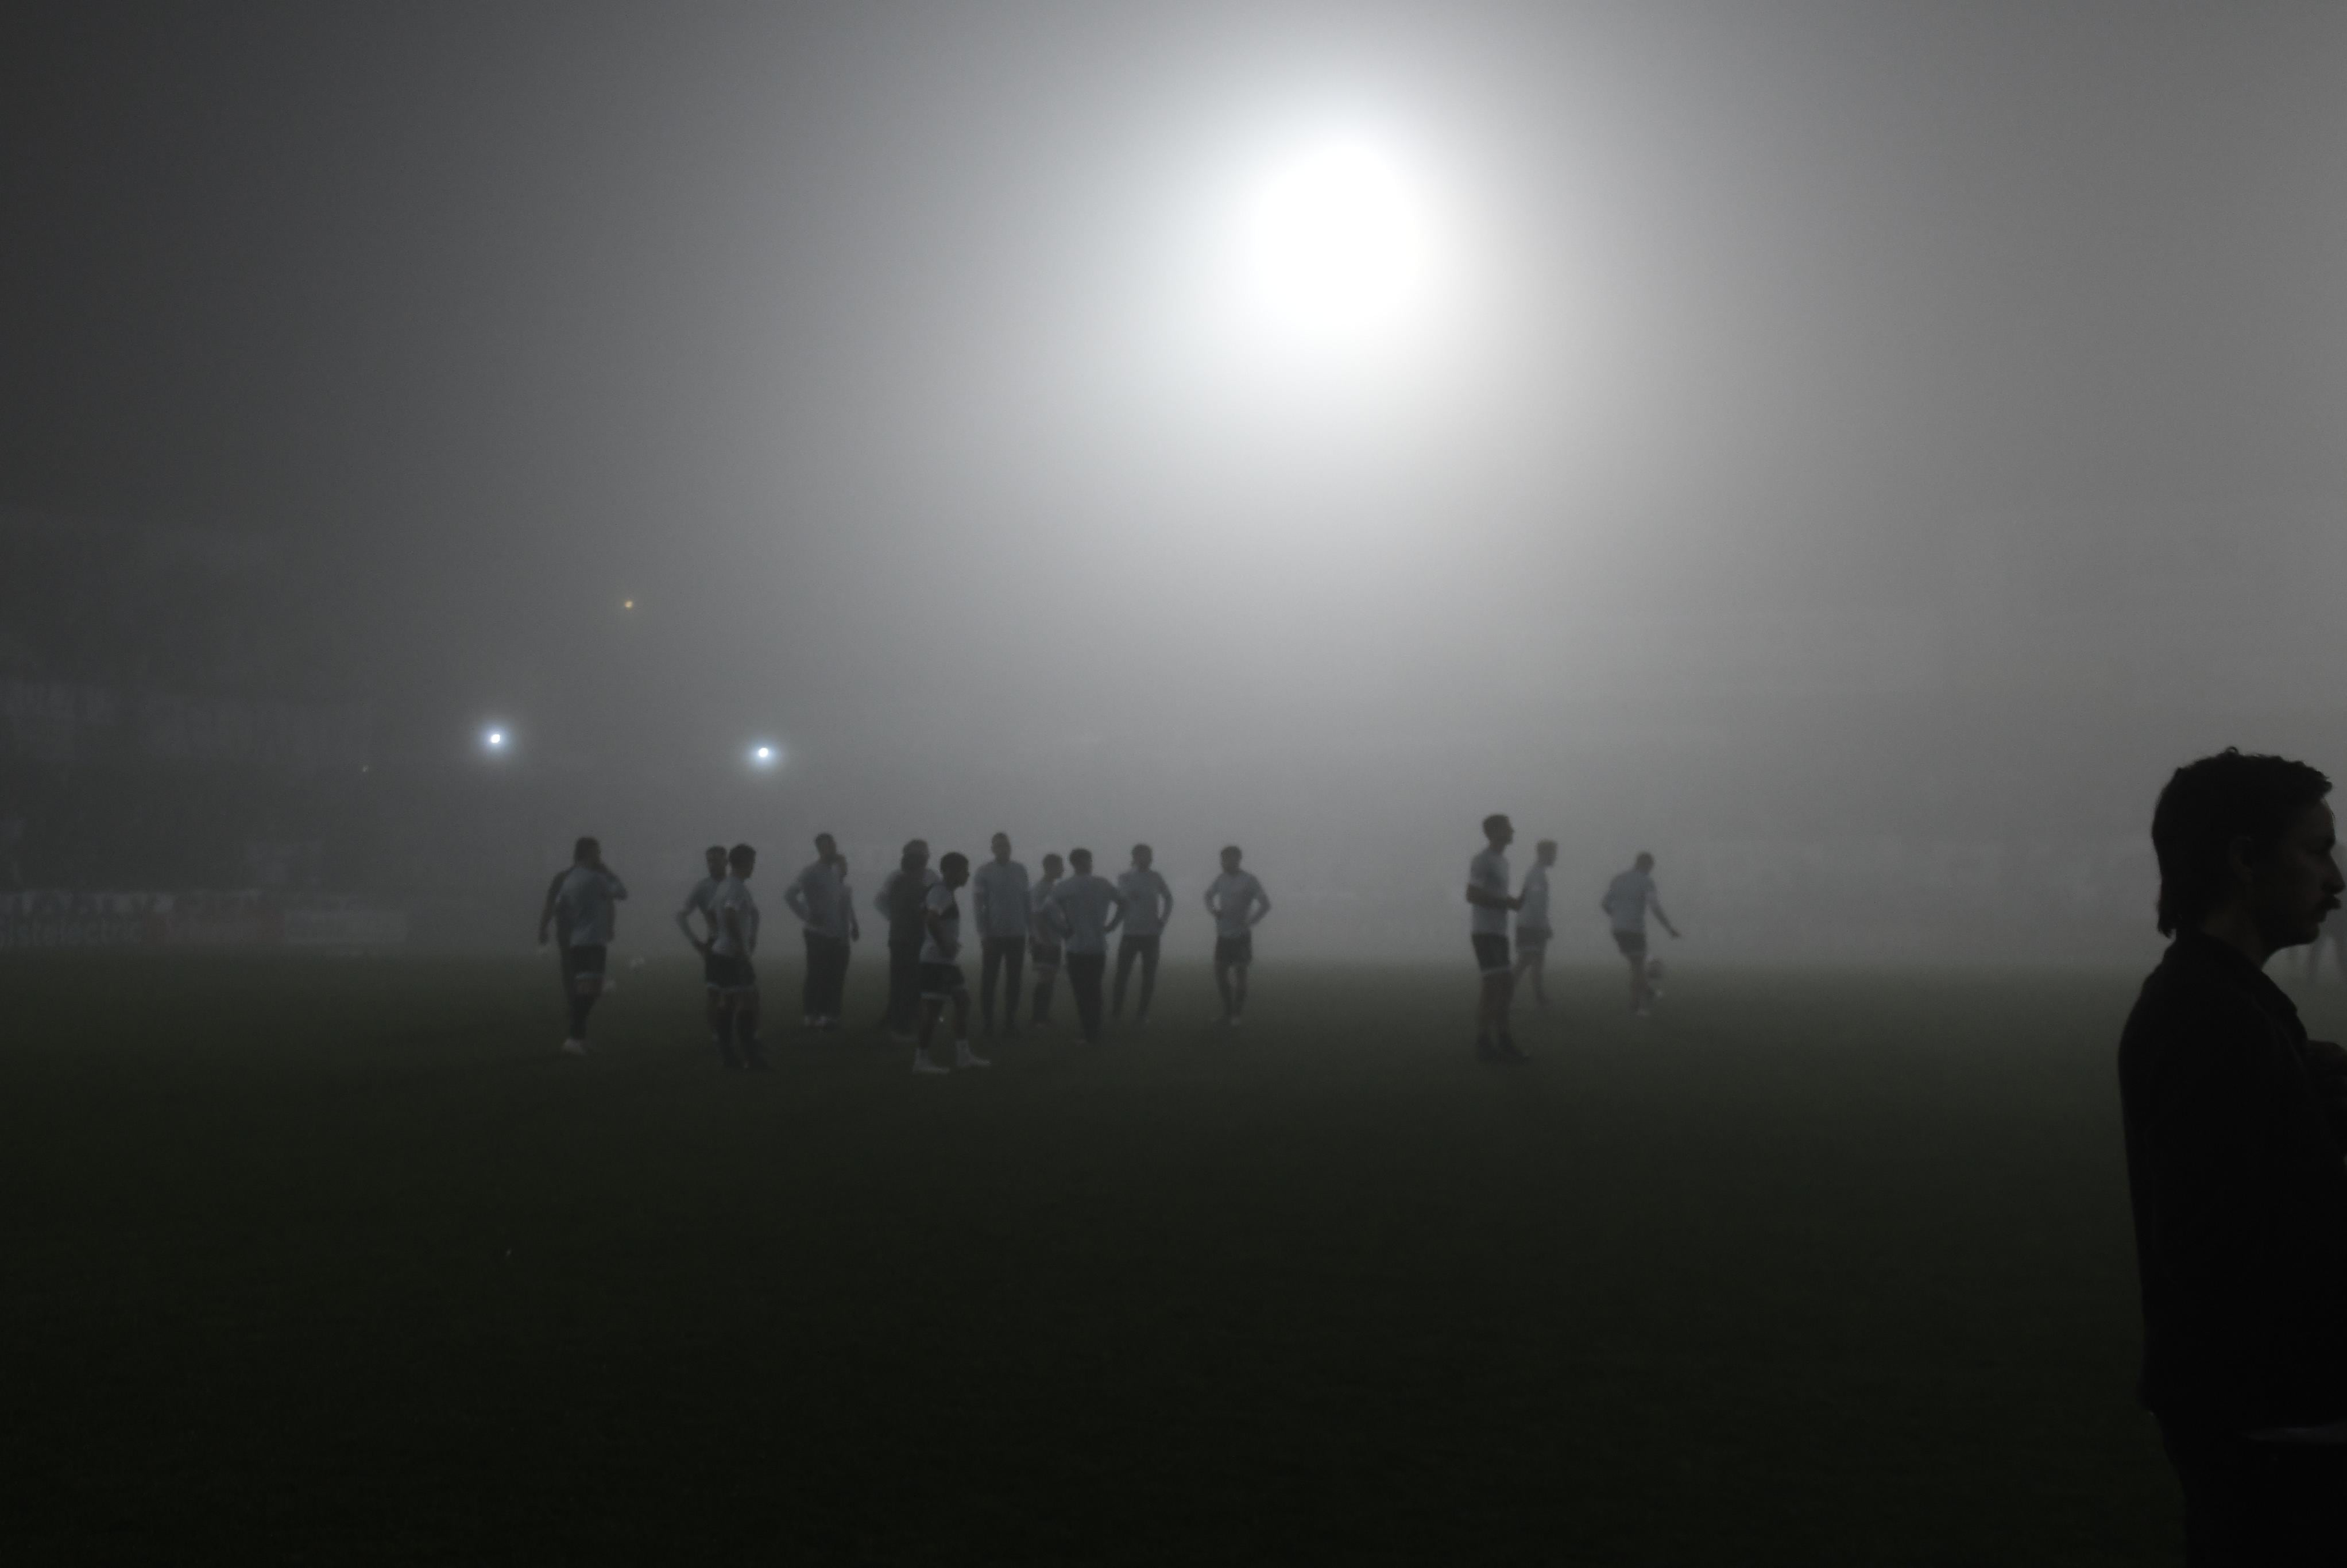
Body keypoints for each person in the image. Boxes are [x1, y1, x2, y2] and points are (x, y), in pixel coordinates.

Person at [2119, 749, 2347, 1562]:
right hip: (2274, 1427)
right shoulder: (2213, 1022)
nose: (2335, 877)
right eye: (2314, 849)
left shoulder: (2228, 1004)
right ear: (2243, 859)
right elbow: (2220, 1251)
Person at [538, 836, 628, 1056]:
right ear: (588, 853)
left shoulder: (569, 880)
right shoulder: (595, 878)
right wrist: (607, 872)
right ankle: (573, 1037)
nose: (600, 857)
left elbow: (559, 904)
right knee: (591, 990)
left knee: (585, 987)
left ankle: (580, 1037)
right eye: (598, 853)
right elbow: (622, 892)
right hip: (592, 941)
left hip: (577, 939)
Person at [913, 851, 988, 1074]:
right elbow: (930, 919)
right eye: (964, 870)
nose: (967, 874)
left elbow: (922, 914)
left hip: (946, 962)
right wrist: (945, 944)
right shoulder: (941, 893)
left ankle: (964, 1056)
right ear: (951, 871)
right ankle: (921, 1060)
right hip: (937, 962)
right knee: (934, 1011)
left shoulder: (942, 893)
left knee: (963, 1002)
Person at [1047, 848, 1123, 1044]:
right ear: (1084, 862)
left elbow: (1048, 908)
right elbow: (1124, 903)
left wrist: (1063, 929)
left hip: (1077, 947)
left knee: (1082, 991)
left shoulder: (1065, 886)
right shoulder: (1102, 884)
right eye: (1089, 860)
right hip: (1097, 946)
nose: (1091, 863)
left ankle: (1089, 1031)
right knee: (1094, 989)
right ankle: (1094, 1029)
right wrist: (1113, 924)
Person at [1466, 814, 1524, 1063]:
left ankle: (1501, 1039)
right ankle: (1486, 1041)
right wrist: (1507, 902)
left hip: (1498, 932)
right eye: (1508, 827)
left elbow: (1495, 895)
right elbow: (1472, 894)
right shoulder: (1482, 861)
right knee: (1494, 987)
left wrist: (1513, 903)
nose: (1513, 830)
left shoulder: (1503, 862)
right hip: (1485, 932)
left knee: (1505, 986)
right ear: (1496, 832)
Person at [783, 833, 855, 1029]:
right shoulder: (811, 872)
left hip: (833, 933)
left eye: (834, 845)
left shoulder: (834, 874)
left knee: (830, 976)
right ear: (821, 849)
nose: (833, 849)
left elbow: (841, 903)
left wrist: (848, 927)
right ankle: (810, 1014)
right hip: (816, 933)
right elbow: (790, 895)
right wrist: (807, 915)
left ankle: (826, 1014)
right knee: (815, 974)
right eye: (829, 846)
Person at [707, 843, 768, 1069]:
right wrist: (740, 947)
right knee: (749, 1001)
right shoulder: (736, 889)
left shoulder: (724, 885)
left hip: (720, 952)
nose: (754, 867)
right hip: (732, 955)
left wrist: (719, 935)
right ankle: (751, 1057)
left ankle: (727, 1055)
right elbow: (731, 914)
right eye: (752, 862)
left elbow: (713, 912)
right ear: (743, 863)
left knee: (730, 1002)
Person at [1601, 851, 1680, 1016]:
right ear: (1647, 865)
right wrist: (1669, 928)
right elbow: (1654, 906)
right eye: (1651, 868)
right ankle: (1637, 1006)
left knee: (1635, 966)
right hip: (1634, 929)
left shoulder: (1619, 879)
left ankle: (1649, 994)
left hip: (1618, 929)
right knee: (1638, 968)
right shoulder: (1646, 881)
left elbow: (1605, 903)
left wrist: (1617, 916)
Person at [971, 833, 1032, 1040]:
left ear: (1010, 847)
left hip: (1017, 934)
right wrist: (983, 933)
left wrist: (1031, 931)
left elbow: (1027, 902)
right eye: (999, 846)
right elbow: (979, 906)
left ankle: (1010, 1021)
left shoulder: (1021, 870)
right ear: (993, 849)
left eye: (1006, 846)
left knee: (1014, 981)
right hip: (994, 936)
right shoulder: (984, 872)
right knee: (989, 980)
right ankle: (988, 1022)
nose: (1003, 850)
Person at [875, 841, 937, 1041]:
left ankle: (904, 1020)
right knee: (908, 982)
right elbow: (923, 911)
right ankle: (901, 1024)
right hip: (911, 938)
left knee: (903, 980)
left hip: (900, 936)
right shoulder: (913, 884)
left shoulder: (902, 881)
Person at [1204, 845, 1270, 1029]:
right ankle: (1227, 1012)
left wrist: (1251, 921)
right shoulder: (1221, 879)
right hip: (1223, 935)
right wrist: (1213, 911)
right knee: (1220, 972)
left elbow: (1265, 904)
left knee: (1241, 973)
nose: (1225, 863)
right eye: (1223, 859)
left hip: (1241, 935)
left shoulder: (1249, 880)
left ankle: (1236, 1015)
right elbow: (1208, 896)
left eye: (1229, 859)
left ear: (1238, 860)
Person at [1112, 843, 1174, 1027]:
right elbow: (1122, 900)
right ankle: (1116, 1012)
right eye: (1144, 855)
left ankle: (1142, 1013)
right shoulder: (1125, 877)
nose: (1148, 859)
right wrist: (1114, 924)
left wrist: (1163, 919)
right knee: (1122, 975)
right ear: (1135, 857)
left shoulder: (1156, 877)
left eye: (1150, 855)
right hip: (1130, 933)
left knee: (1149, 976)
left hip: (1151, 935)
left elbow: (1169, 898)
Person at [675, 845, 729, 1052]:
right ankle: (717, 1035)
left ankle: (740, 1031)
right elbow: (681, 915)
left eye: (716, 860)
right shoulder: (702, 888)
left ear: (726, 861)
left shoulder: (734, 884)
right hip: (715, 943)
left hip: (734, 944)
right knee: (714, 992)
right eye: (709, 861)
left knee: (739, 992)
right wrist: (696, 942)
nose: (712, 864)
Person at [1512, 839, 1558, 1007]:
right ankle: (1504, 997)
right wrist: (1544, 926)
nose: (1555, 858)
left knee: (1536, 961)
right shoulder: (1537, 875)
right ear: (1544, 854)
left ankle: (1540, 998)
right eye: (1553, 854)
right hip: (1531, 925)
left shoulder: (1536, 873)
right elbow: (1536, 903)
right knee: (1525, 961)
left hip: (1531, 924)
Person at [1028, 851, 1068, 1027]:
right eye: (1060, 866)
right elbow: (1037, 916)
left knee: (1050, 977)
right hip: (1045, 941)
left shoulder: (1052, 888)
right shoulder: (1041, 889)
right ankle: (1038, 1018)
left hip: (1053, 939)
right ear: (1050, 868)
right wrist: (1045, 941)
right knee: (1045, 977)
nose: (1063, 870)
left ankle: (1044, 1016)